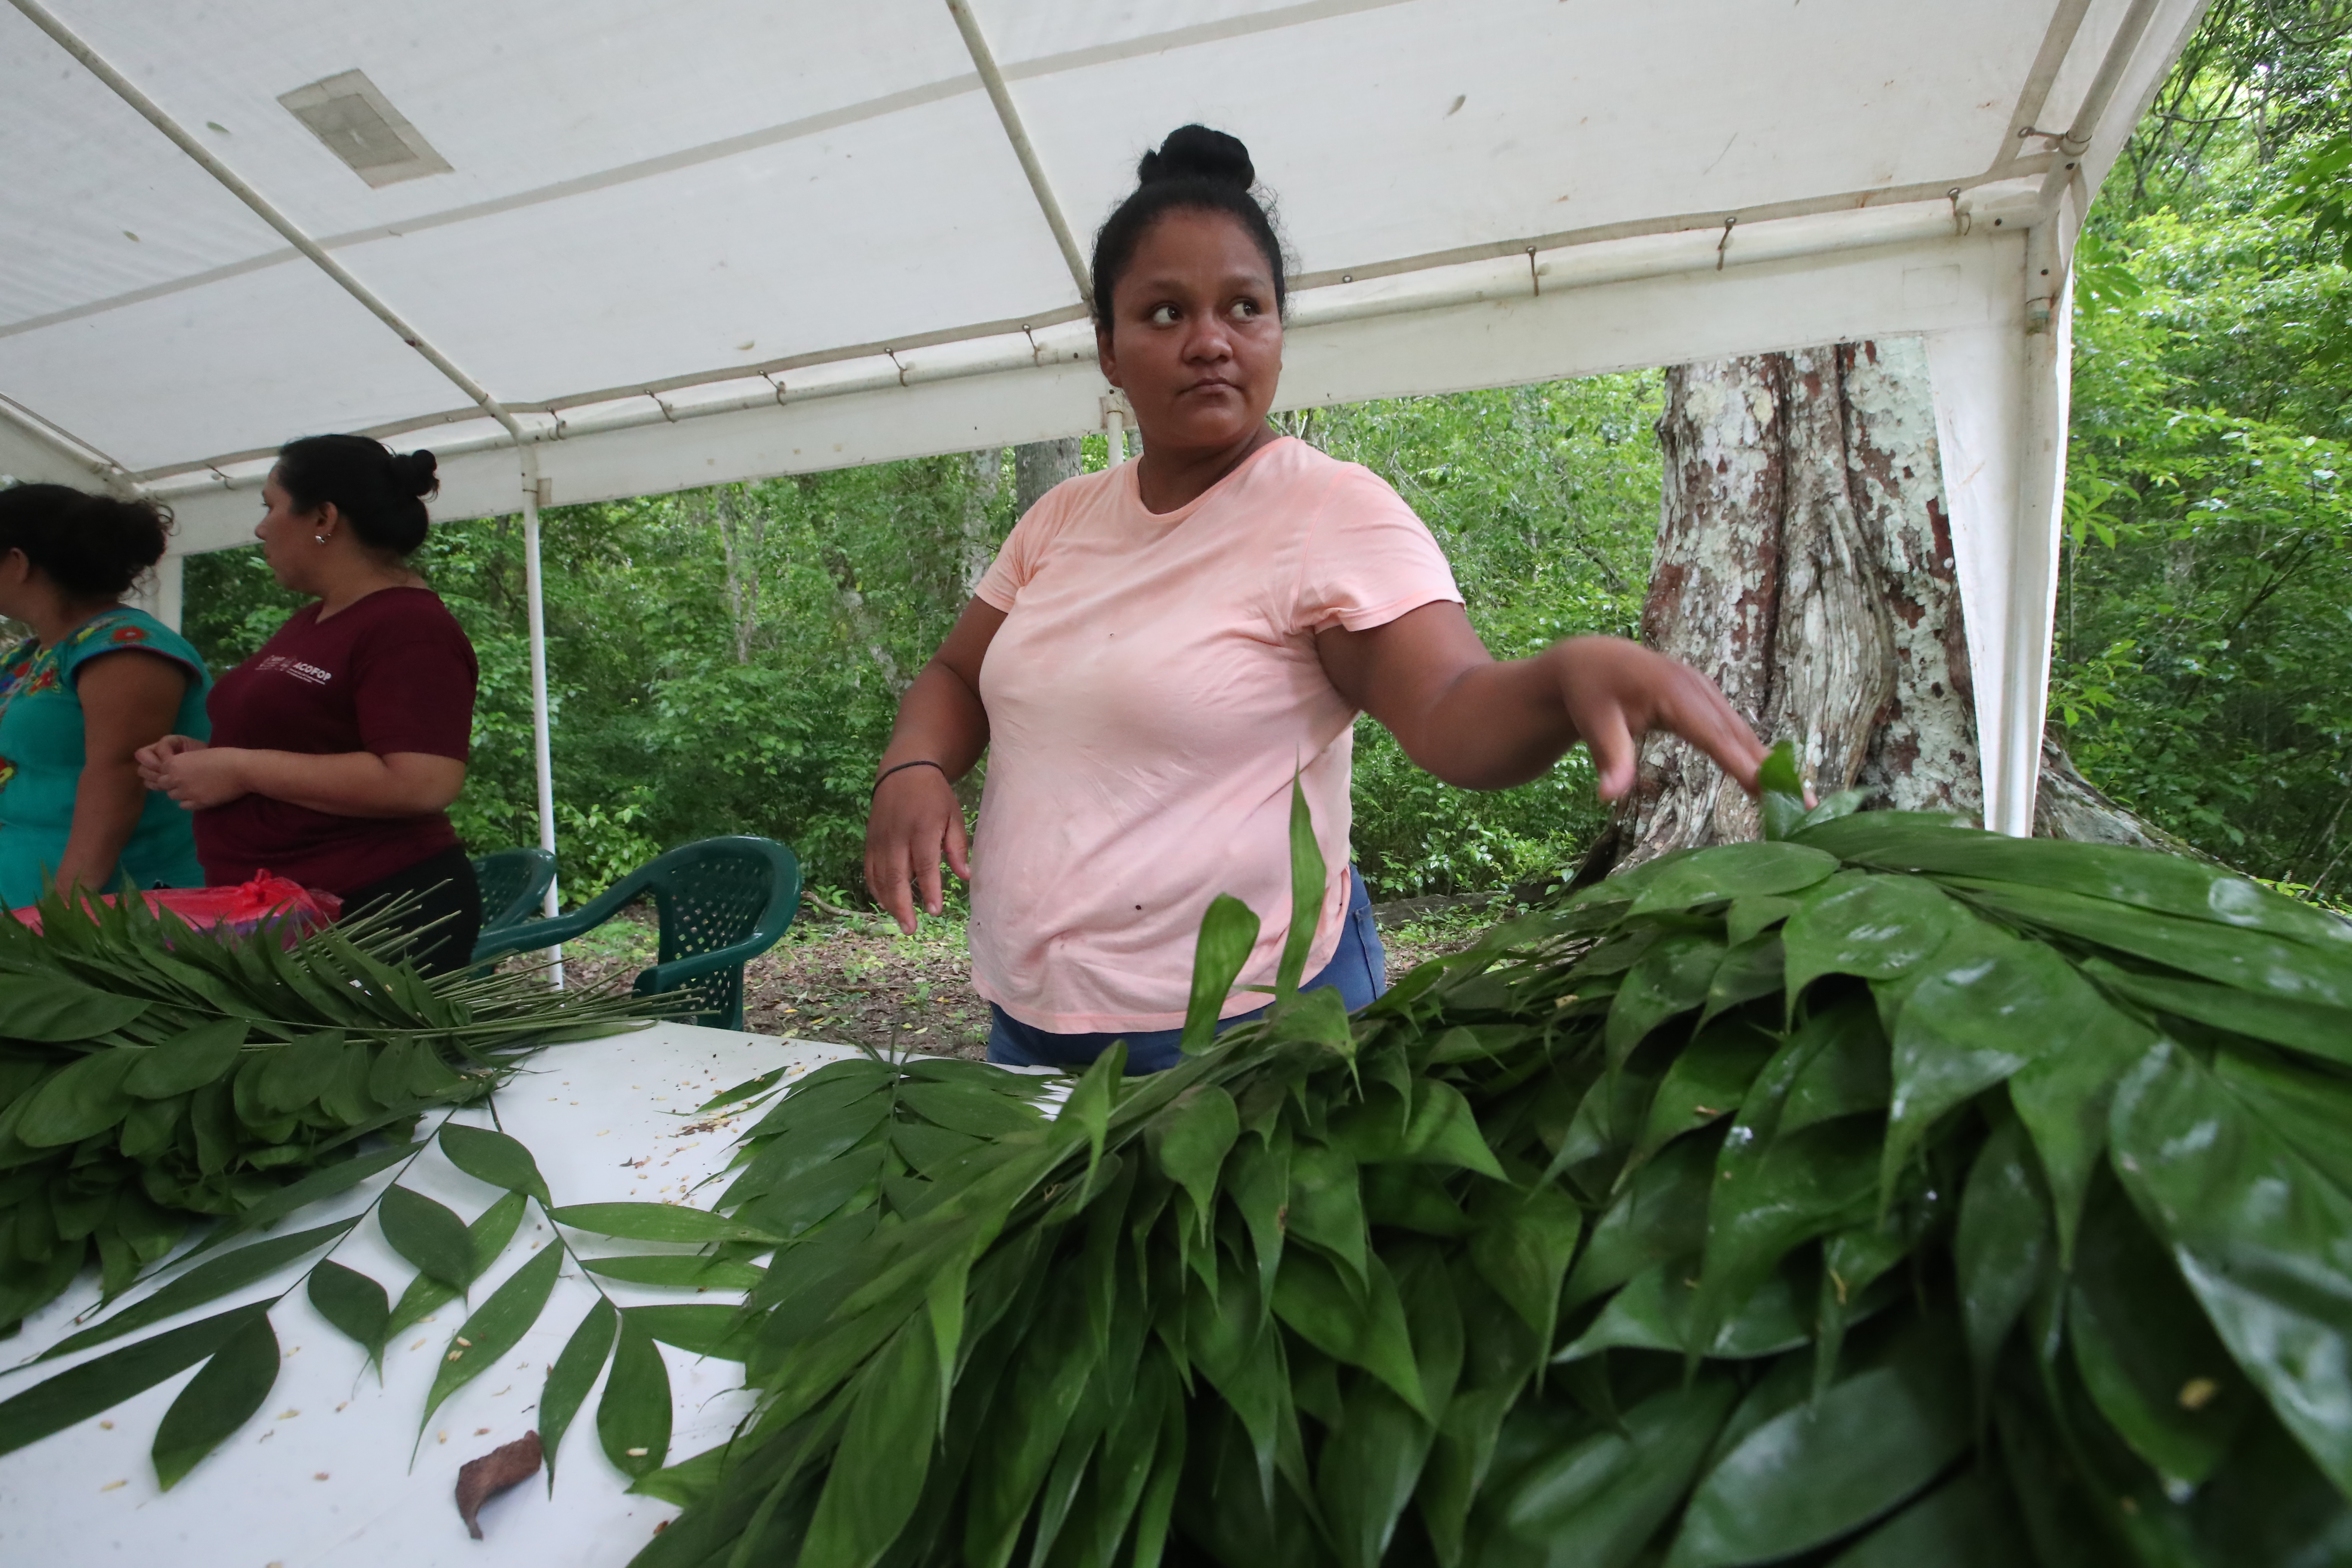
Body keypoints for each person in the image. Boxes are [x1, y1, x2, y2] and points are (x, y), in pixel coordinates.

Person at [865, 125, 1767, 1074]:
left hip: (1249, 1037)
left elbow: (1452, 712)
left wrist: (1562, 680)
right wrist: (914, 767)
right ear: (1109, 349)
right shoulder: (1061, 519)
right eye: (1165, 313)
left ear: (1278, 333)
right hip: (1031, 1015)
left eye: (1244, 308)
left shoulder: (1328, 512)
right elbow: (960, 672)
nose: (1209, 340)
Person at [135, 436, 484, 974]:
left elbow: (423, 781)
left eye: (270, 506)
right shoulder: (313, 620)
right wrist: (204, 758)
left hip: (373, 911)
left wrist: (240, 767)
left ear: (324, 516)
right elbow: (308, 746)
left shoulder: (409, 627)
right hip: (276, 911)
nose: (261, 528)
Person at [0, 485, 210, 908]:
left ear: (17, 563)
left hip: (105, 912)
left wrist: (66, 911)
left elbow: (117, 778)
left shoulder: (126, 648)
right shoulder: (32, 655)